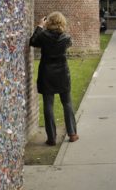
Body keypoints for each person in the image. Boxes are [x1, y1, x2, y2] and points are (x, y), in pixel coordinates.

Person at [29, 11, 79, 146]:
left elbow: (33, 42)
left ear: (49, 22)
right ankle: (72, 133)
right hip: (62, 73)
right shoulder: (66, 38)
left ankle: (51, 138)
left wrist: (40, 26)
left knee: (48, 105)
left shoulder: (43, 36)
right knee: (67, 103)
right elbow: (69, 44)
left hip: (47, 73)